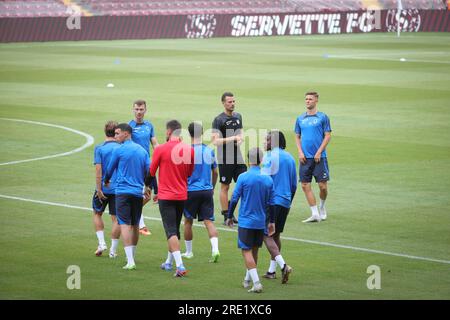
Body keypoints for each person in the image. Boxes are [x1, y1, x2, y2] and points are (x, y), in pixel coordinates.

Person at [148, 120, 194, 277]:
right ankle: (168, 262)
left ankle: (180, 265)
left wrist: (149, 188)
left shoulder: (160, 149)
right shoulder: (188, 149)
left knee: (170, 230)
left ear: (168, 132)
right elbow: (189, 173)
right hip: (181, 195)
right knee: (174, 228)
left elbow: (151, 171)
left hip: (166, 195)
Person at [226, 147, 274, 293]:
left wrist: (229, 215)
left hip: (246, 221)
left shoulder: (243, 177)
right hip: (260, 222)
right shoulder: (268, 179)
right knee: (254, 251)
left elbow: (234, 198)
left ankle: (257, 282)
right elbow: (271, 203)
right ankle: (248, 279)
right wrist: (271, 222)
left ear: (248, 160)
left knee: (246, 251)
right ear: (261, 160)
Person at [104, 123, 150, 270]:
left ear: (126, 134)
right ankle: (132, 255)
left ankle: (130, 261)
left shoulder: (119, 150)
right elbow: (149, 171)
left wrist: (106, 180)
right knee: (136, 224)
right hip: (137, 192)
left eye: (118, 133)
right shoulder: (142, 151)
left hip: (122, 192)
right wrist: (148, 187)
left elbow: (110, 169)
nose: (116, 136)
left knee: (124, 223)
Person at [181, 122, 220, 263]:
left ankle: (189, 252)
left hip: (191, 191)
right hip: (206, 190)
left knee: (188, 222)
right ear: (202, 133)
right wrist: (212, 186)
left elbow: (182, 174)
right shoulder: (209, 150)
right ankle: (215, 249)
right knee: (209, 221)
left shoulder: (186, 151)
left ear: (189, 134)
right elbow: (215, 172)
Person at [261, 130, 296, 283]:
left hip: (272, 202)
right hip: (285, 201)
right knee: (276, 235)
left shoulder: (269, 157)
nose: (264, 142)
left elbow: (264, 182)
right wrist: (288, 201)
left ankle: (283, 266)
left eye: (267, 140)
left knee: (266, 235)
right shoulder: (290, 158)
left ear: (273, 142)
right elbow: (294, 184)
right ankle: (271, 270)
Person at [294, 91, 332, 223]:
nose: (308, 101)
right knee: (305, 185)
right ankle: (314, 213)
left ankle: (322, 206)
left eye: (310, 99)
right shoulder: (300, 118)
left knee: (323, 186)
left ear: (316, 100)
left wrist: (319, 152)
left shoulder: (322, 117)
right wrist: (300, 152)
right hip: (305, 157)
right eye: (306, 99)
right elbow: (297, 136)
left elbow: (327, 135)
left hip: (319, 157)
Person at [212, 92, 246, 225]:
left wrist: (241, 139)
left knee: (244, 184)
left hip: (238, 156)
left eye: (233, 101)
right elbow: (215, 141)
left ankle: (231, 208)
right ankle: (227, 215)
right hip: (225, 157)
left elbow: (241, 132)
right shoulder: (218, 120)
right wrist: (233, 138)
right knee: (225, 186)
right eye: (229, 102)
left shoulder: (238, 116)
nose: (232, 104)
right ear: (223, 103)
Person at [128, 99, 159, 236]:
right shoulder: (129, 126)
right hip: (135, 166)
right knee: (141, 193)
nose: (139, 112)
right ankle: (141, 225)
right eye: (137, 109)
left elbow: (154, 143)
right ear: (133, 110)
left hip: (147, 165)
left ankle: (132, 214)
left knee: (147, 195)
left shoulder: (149, 126)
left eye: (141, 109)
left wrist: (161, 155)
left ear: (145, 110)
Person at [92, 121, 121, 258]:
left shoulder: (100, 148)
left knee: (97, 213)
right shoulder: (121, 148)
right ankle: (113, 251)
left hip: (104, 188)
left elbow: (99, 170)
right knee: (116, 219)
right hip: (118, 188)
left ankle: (102, 243)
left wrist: (99, 189)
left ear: (105, 132)